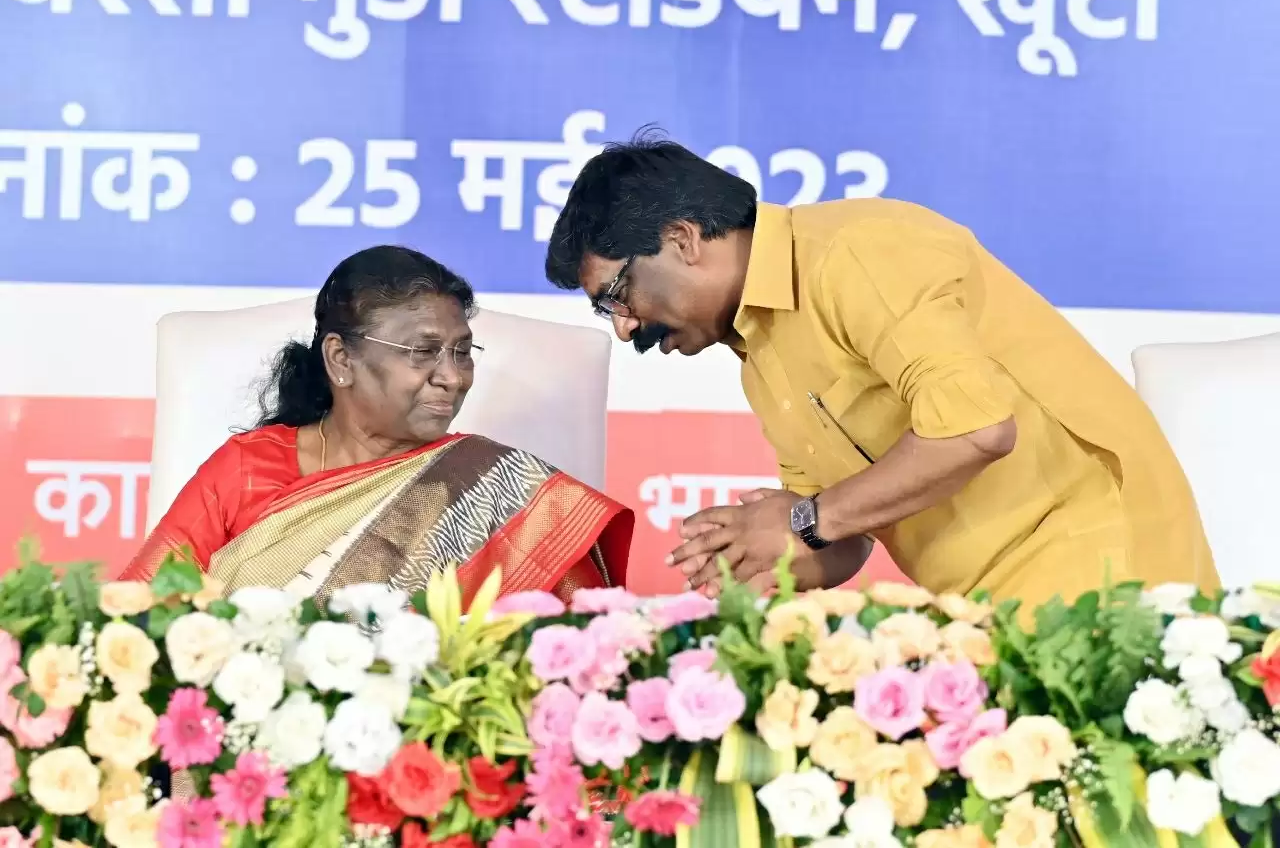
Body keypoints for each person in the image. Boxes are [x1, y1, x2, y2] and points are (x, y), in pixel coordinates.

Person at [543, 134, 1220, 608]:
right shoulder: (760, 356)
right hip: (985, 608)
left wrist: (801, 519)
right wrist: (762, 554)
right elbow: (846, 535)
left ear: (683, 240)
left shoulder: (854, 253)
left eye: (616, 296)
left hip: (1100, 567)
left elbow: (977, 430)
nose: (624, 326)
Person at [120, 246, 633, 606]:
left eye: (461, 352)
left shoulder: (497, 488)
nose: (453, 377)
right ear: (341, 359)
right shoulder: (247, 468)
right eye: (423, 351)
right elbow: (142, 614)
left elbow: (585, 640)